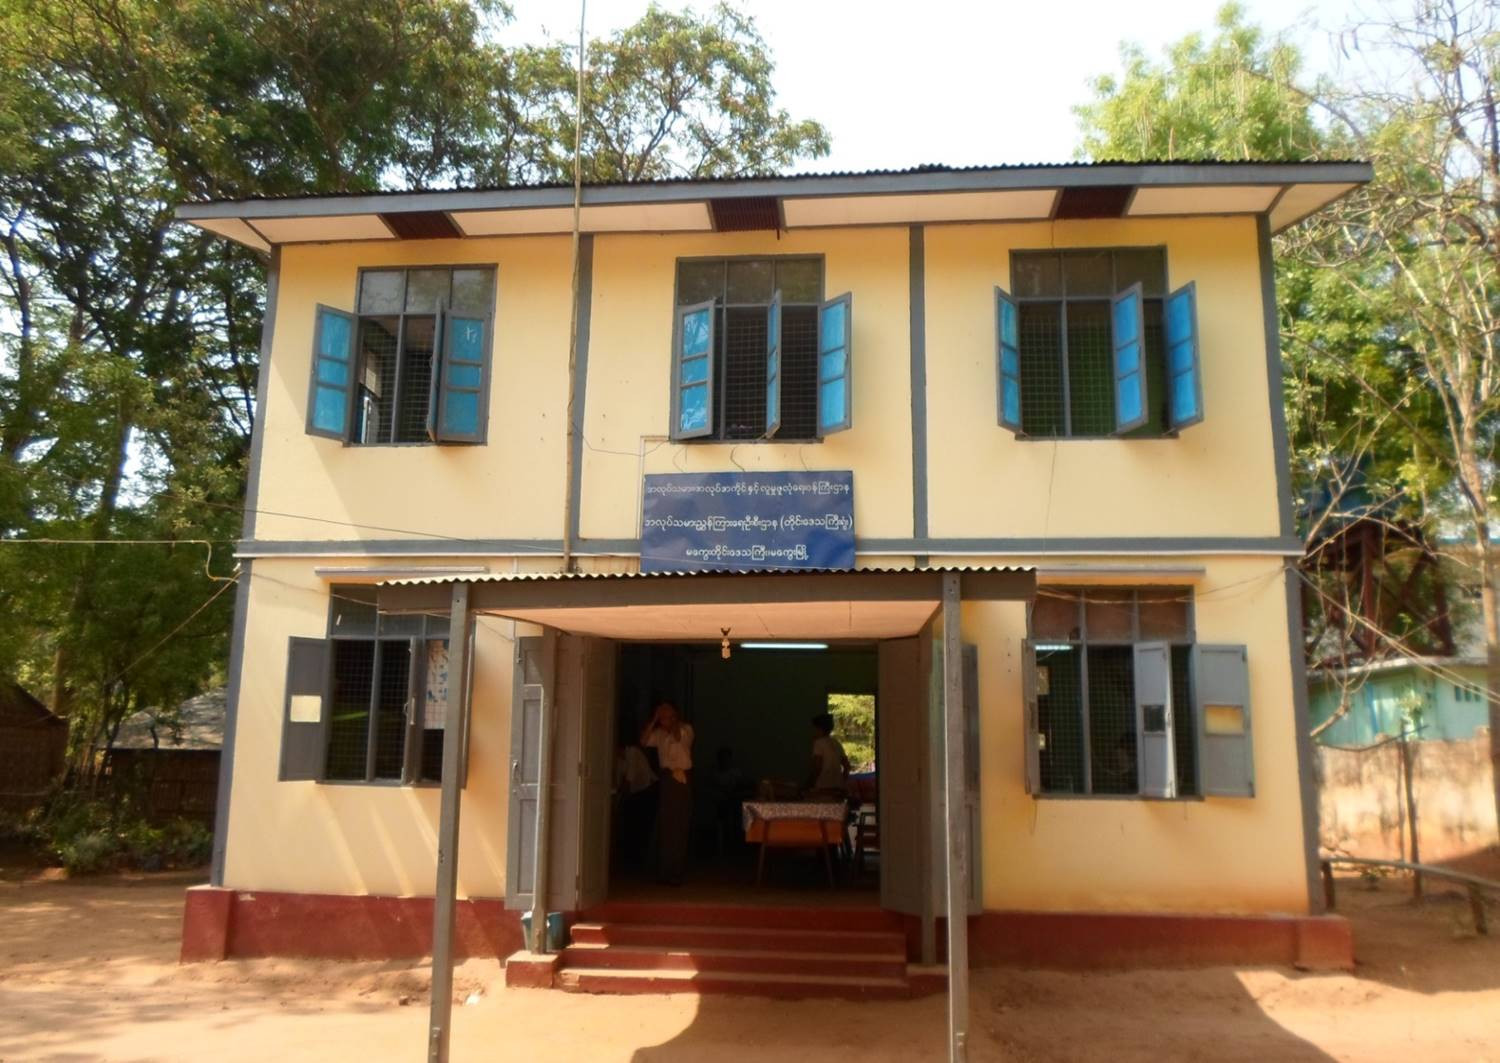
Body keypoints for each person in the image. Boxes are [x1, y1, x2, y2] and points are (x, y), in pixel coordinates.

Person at [640, 699, 694, 885]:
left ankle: (676, 870)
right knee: (666, 824)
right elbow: (644, 741)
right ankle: (664, 870)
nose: (664, 715)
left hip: (681, 778)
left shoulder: (686, 729)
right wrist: (655, 719)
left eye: (667, 712)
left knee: (679, 823)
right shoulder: (659, 734)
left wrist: (672, 719)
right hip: (667, 779)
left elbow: (679, 737)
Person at [805, 712, 851, 799]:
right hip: (838, 788)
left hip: (823, 787)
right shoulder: (837, 743)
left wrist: (809, 784)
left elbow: (817, 767)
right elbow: (847, 766)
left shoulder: (818, 743)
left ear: (819, 729)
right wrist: (842, 782)